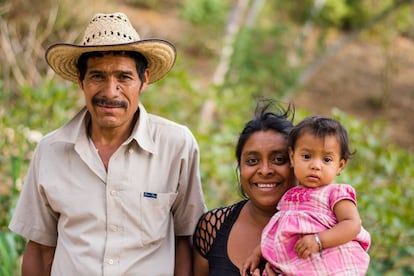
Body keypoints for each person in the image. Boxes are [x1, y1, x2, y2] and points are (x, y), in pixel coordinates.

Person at [9, 12, 206, 275]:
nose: (110, 91)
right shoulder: (51, 150)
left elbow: (187, 238)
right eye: (98, 77)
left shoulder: (176, 146)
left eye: (124, 77)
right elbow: (40, 247)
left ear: (143, 80)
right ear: (81, 80)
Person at [242, 116, 371, 276]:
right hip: (298, 267)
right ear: (292, 157)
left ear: (340, 165)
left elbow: (352, 224)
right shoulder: (288, 196)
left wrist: (319, 240)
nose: (315, 166)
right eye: (307, 156)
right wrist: (256, 254)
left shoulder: (336, 193)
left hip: (332, 265)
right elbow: (278, 231)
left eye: (327, 159)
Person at [192, 99, 296, 275]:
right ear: (240, 168)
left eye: (279, 159)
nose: (264, 170)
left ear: (297, 163)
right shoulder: (212, 227)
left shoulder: (325, 232)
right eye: (252, 161)